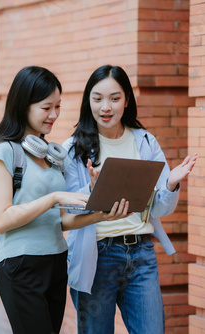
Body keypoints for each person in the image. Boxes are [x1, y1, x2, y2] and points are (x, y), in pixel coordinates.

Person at [0, 66, 130, 334]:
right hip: (21, 266)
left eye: (58, 106)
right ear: (24, 105)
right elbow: (1, 220)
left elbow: (59, 221)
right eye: (47, 107)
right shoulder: (5, 152)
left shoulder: (51, 154)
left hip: (57, 261)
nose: (55, 115)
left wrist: (101, 215)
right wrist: (54, 197)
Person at [63, 64, 198, 334]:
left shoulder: (145, 141)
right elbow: (67, 214)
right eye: (97, 98)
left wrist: (171, 184)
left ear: (126, 100)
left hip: (141, 254)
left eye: (114, 98)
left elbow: (159, 207)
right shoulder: (73, 149)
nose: (106, 107)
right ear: (87, 100)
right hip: (97, 256)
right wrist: (92, 191)